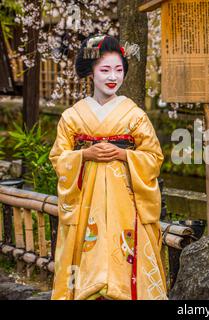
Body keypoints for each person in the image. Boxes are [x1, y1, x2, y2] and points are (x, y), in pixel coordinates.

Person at [49, 35, 167, 300]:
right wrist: (85, 155)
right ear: (92, 72)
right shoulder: (72, 116)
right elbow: (59, 158)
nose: (112, 76)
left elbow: (154, 156)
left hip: (125, 201)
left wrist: (124, 155)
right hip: (85, 203)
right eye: (105, 70)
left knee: (125, 260)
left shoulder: (134, 114)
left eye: (118, 69)